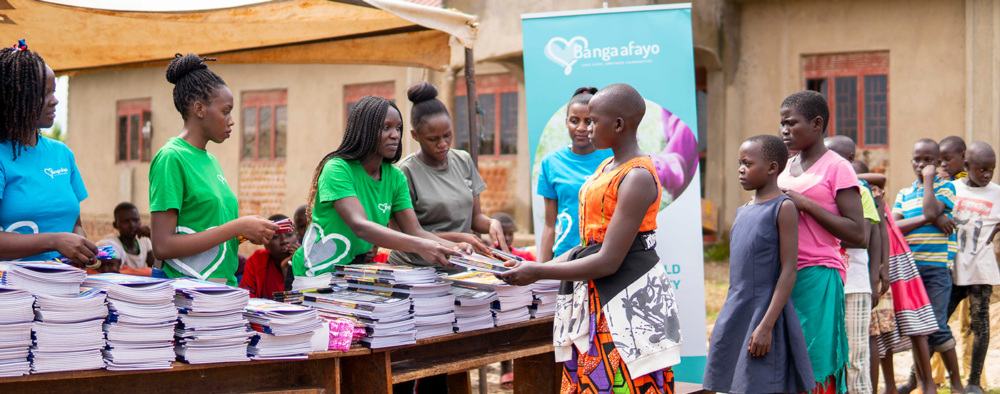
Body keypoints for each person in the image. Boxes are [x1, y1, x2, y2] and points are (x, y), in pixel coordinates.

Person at [501, 83, 681, 394]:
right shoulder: (607, 166)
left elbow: (609, 260)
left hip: (626, 297)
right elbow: (588, 249)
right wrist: (528, 263)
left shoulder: (636, 176)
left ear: (619, 125)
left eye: (594, 121)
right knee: (596, 380)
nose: (588, 128)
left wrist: (539, 272)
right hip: (597, 293)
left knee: (626, 382)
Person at [289, 95, 467, 290]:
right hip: (313, 275)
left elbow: (415, 231)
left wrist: (455, 248)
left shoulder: (395, 177)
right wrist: (420, 246)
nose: (395, 135)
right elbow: (360, 225)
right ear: (364, 130)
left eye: (398, 128)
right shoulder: (338, 169)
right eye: (386, 127)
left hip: (353, 272)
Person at [149, 53, 277, 286]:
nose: (231, 120)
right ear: (199, 108)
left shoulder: (211, 161)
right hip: (188, 298)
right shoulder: (171, 158)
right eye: (225, 111)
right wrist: (237, 226)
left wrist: (245, 233)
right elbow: (162, 245)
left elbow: (205, 231)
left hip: (220, 292)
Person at [703, 135, 813, 394]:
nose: (741, 169)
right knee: (729, 380)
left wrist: (766, 325)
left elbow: (789, 271)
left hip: (765, 312)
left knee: (759, 382)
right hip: (737, 307)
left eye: (747, 163)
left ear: (772, 168)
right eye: (739, 163)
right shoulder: (743, 211)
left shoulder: (783, 208)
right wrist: (725, 320)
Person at [776, 90, 867, 394]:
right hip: (783, 276)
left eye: (791, 123)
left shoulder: (837, 167)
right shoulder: (786, 167)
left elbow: (858, 233)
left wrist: (807, 204)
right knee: (786, 360)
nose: (784, 131)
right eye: (781, 124)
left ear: (816, 124)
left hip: (817, 274)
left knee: (814, 360)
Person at [387, 82, 507, 275]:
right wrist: (459, 239)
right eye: (433, 139)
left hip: (458, 265)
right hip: (416, 270)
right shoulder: (404, 172)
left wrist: (492, 224)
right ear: (415, 135)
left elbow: (475, 218)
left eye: (447, 135)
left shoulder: (463, 160)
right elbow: (402, 235)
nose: (442, 144)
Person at [0, 40, 97, 267]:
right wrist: (54, 241)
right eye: (45, 94)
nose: (55, 100)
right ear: (16, 99)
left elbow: (75, 223)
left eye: (54, 91)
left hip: (63, 289)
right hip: (11, 294)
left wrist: (80, 247)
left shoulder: (62, 154)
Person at [892, 138, 963, 394]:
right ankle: (921, 382)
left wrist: (930, 181)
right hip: (910, 269)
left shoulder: (947, 188)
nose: (921, 165)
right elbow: (894, 225)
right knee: (916, 326)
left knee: (937, 325)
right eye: (917, 159)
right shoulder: (903, 194)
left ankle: (956, 382)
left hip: (936, 270)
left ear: (938, 163)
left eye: (928, 161)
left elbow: (933, 208)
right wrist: (928, 219)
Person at [826, 136, 882, 394]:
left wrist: (874, 282)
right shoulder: (821, 188)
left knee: (856, 355)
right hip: (824, 283)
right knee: (828, 353)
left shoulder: (861, 190)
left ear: (848, 161)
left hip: (854, 285)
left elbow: (863, 238)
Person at [946, 141, 1000, 394]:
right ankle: (919, 376)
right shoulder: (951, 189)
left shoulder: (996, 193)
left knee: (981, 325)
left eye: (992, 170)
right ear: (967, 166)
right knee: (938, 321)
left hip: (981, 270)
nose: (987, 175)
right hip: (953, 269)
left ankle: (974, 381)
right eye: (982, 170)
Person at [536, 86, 613, 262]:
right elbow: (549, 224)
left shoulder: (613, 159)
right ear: (566, 122)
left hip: (603, 256)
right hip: (564, 257)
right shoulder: (551, 163)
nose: (581, 127)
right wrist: (541, 270)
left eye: (588, 121)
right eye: (574, 120)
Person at [240, 214, 297, 299]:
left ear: (297, 237)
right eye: (276, 236)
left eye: (289, 235)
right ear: (265, 242)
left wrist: (291, 272)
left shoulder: (307, 262)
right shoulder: (257, 261)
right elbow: (244, 300)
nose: (284, 241)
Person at [97, 202, 157, 273]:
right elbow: (111, 271)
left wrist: (153, 236)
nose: (132, 225)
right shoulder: (110, 244)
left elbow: (155, 267)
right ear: (115, 225)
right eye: (126, 222)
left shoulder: (144, 240)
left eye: (135, 220)